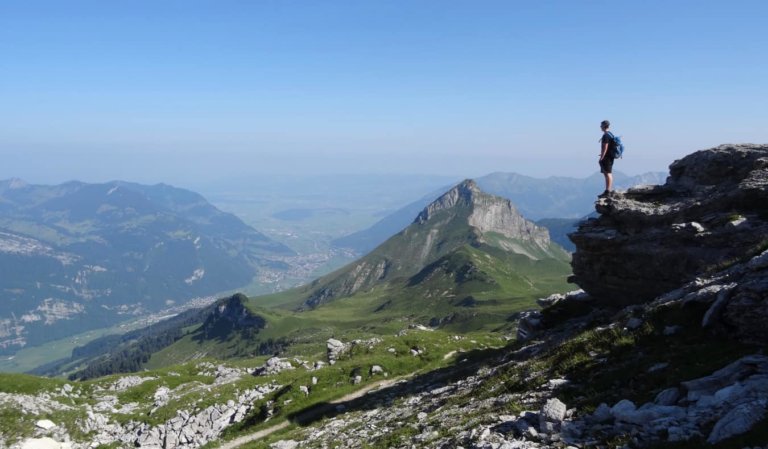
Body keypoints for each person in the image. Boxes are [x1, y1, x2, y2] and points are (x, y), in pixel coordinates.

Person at [598, 120, 615, 198]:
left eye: (601, 125)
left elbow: (605, 147)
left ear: (604, 126)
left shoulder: (606, 135)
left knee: (607, 173)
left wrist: (602, 157)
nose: (600, 127)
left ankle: (608, 191)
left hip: (607, 157)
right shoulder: (611, 134)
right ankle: (608, 190)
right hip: (610, 156)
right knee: (608, 173)